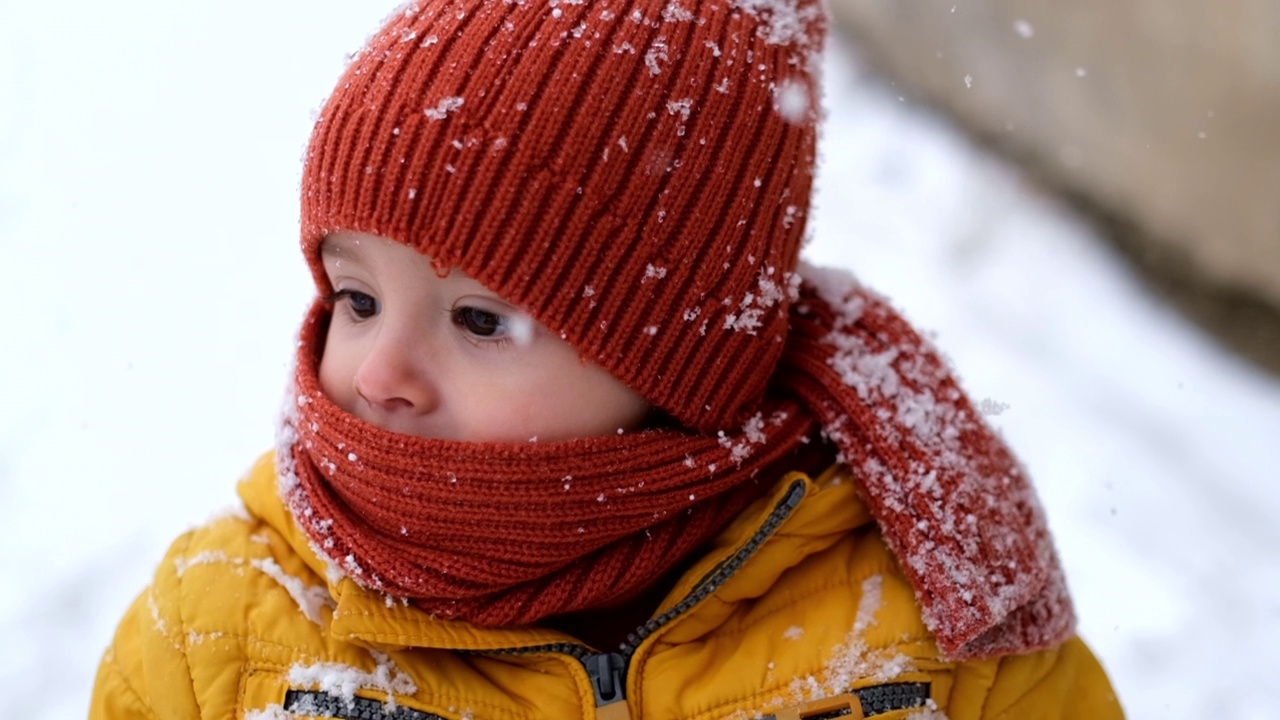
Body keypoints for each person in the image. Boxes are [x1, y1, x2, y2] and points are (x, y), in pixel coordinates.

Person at [90, 0, 1125, 717]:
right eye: (357, 298)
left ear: (680, 362)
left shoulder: (924, 623)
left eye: (480, 320)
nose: (376, 372)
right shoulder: (223, 624)